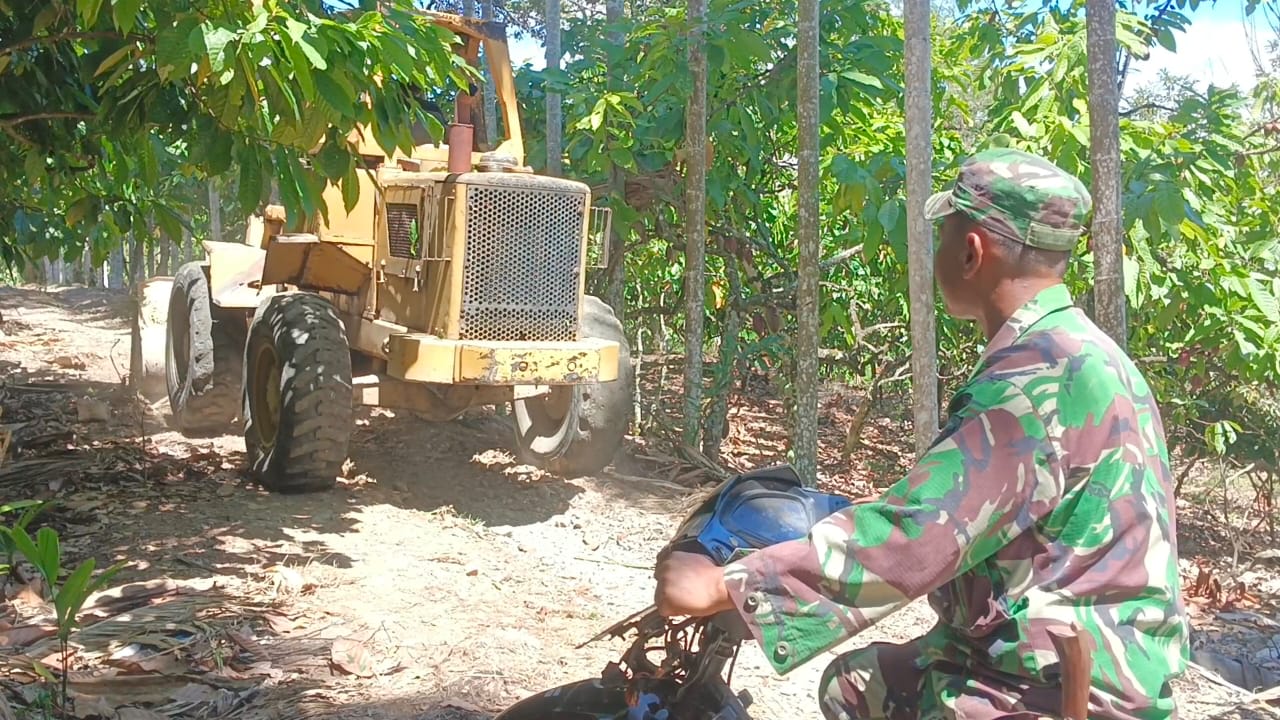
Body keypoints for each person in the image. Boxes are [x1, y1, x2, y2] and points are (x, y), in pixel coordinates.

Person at [653, 147, 1189, 720]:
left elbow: (915, 539)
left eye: (943, 237)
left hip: (1057, 689)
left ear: (970, 251)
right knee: (859, 681)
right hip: (1103, 660)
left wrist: (726, 586)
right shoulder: (1089, 354)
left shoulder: (1028, 385)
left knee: (862, 689)